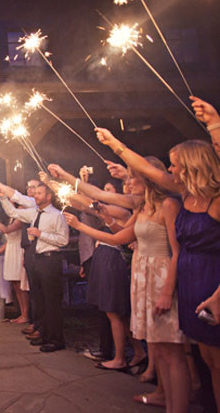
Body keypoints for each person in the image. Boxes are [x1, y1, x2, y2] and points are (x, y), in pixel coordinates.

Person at [95, 127, 220, 409]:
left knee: (211, 359)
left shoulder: (203, 201)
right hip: (189, 281)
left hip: (209, 278)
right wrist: (114, 144)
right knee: (207, 360)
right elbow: (145, 170)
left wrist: (214, 124)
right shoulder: (187, 196)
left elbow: (148, 172)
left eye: (175, 165)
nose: (170, 169)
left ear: (192, 167)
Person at [57, 156, 190, 413]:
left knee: (172, 351)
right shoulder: (142, 208)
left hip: (161, 276)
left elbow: (177, 251)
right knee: (158, 347)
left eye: (132, 178)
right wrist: (80, 222)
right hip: (143, 275)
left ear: (147, 179)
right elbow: (117, 237)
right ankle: (165, 398)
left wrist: (167, 291)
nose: (127, 183)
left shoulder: (168, 205)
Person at [0, 180, 69, 353]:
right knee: (39, 299)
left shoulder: (57, 215)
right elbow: (13, 212)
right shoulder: (34, 212)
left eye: (39, 193)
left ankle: (56, 339)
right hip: (36, 259)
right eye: (35, 193)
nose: (35, 196)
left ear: (49, 196)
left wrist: (40, 234)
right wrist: (3, 199)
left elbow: (63, 240)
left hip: (50, 260)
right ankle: (43, 333)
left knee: (51, 301)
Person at [0, 209, 30, 324]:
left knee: (20, 283)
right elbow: (9, 239)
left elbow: (6, 230)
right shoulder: (11, 219)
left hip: (18, 250)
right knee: (14, 283)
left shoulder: (20, 219)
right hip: (10, 249)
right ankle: (21, 312)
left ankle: (26, 313)